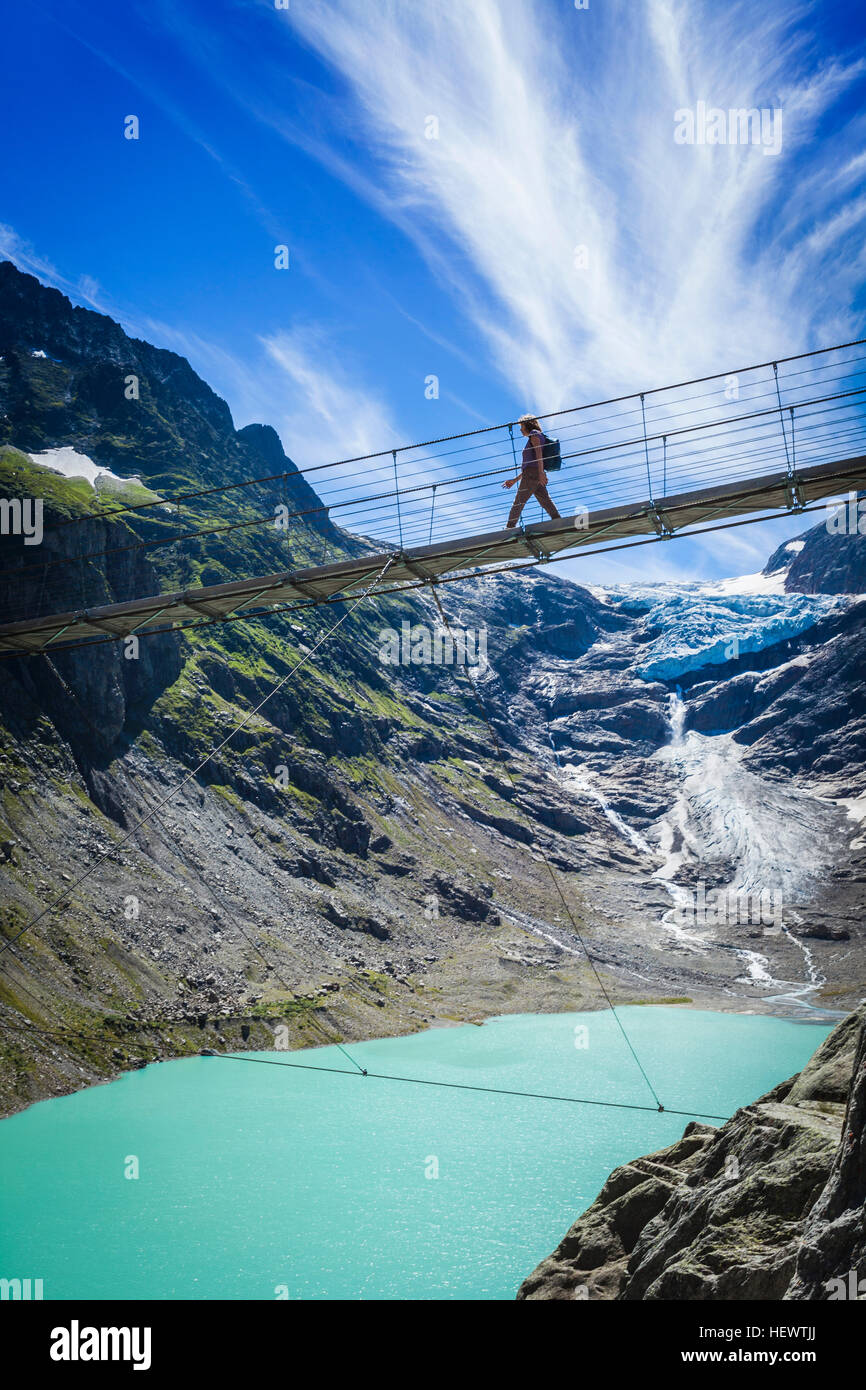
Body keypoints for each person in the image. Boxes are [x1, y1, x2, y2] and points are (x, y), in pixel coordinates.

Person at [503, 414, 561, 528]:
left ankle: (509, 528)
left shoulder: (534, 434)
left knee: (519, 501)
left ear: (527, 425)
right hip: (533, 473)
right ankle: (558, 521)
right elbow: (531, 463)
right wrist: (515, 480)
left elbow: (539, 455)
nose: (520, 429)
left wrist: (541, 473)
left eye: (521, 426)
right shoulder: (539, 435)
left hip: (532, 474)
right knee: (545, 501)